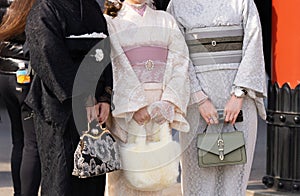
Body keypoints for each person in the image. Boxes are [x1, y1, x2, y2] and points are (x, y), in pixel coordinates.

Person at [167, 0, 267, 195]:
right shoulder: (177, 4)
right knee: (197, 176)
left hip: (239, 103)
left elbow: (254, 44)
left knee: (234, 176)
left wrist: (239, 94)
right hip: (196, 105)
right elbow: (176, 55)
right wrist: (199, 98)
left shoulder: (243, 2)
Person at [24, 0, 113, 195]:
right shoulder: (45, 9)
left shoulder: (91, 7)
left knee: (93, 176)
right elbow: (49, 56)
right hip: (59, 108)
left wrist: (106, 96)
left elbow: (105, 52)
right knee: (61, 178)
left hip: (95, 107)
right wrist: (83, 96)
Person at [103, 0, 190, 195]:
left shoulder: (166, 20)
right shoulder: (111, 21)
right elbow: (115, 65)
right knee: (122, 180)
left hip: (159, 108)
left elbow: (180, 61)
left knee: (154, 178)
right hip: (126, 112)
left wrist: (168, 102)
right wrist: (135, 105)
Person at [0, 0, 41, 195]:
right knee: (32, 143)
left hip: (5, 73)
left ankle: (19, 192)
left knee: (20, 140)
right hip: (25, 74)